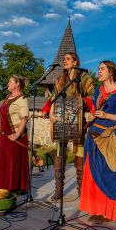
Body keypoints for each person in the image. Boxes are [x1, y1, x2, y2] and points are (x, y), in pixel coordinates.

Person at [79, 60, 116, 222]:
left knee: (109, 171)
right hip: (94, 133)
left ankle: (108, 212)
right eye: (98, 69)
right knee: (92, 169)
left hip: (110, 135)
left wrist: (107, 116)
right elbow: (96, 111)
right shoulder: (98, 90)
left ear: (111, 72)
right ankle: (96, 209)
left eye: (102, 69)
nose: (99, 71)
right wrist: (91, 115)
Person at [41, 52, 94, 201]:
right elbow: (53, 98)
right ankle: (59, 190)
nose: (64, 61)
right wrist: (50, 113)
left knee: (80, 154)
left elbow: (91, 97)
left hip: (77, 121)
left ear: (76, 62)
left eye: (68, 59)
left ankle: (81, 190)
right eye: (64, 59)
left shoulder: (84, 78)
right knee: (60, 153)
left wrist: (78, 103)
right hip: (61, 121)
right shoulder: (60, 80)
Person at [0, 75, 29, 192]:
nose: (8, 83)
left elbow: (24, 118)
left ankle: (13, 187)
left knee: (13, 163)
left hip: (15, 137)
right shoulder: (7, 98)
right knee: (4, 163)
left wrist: (17, 135)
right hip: (5, 137)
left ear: (17, 84)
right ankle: (2, 185)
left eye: (10, 81)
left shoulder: (22, 99)